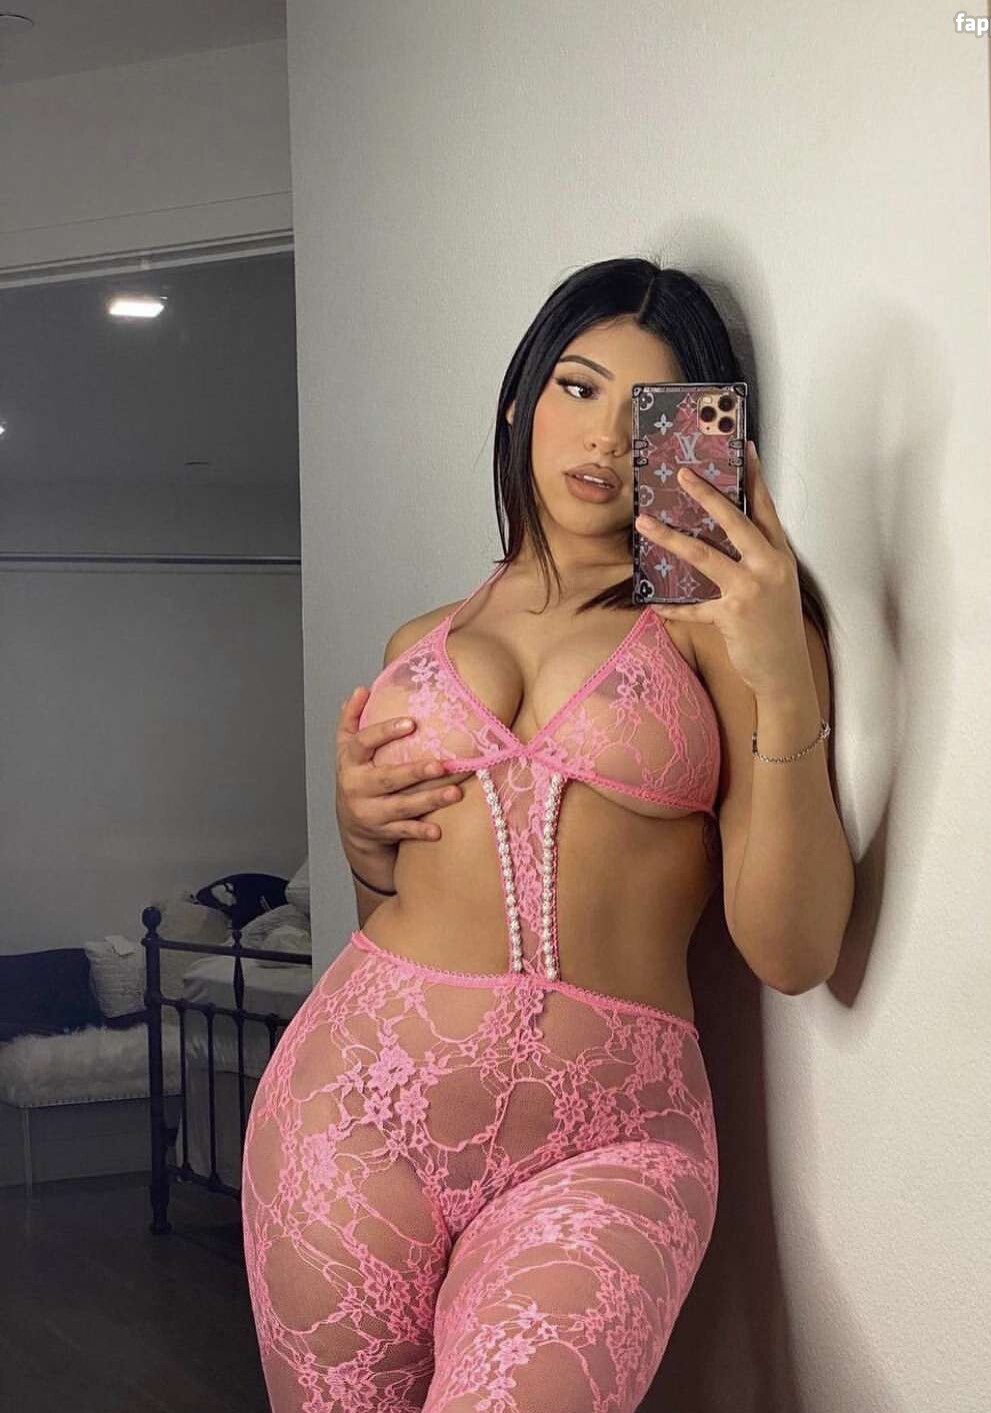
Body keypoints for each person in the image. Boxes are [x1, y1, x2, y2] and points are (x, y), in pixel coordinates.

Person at [240, 256, 853, 1412]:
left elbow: (794, 950)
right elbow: (393, 907)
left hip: (607, 1148)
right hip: (349, 1113)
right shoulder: (419, 640)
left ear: (698, 434)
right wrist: (360, 840)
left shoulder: (723, 629)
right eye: (577, 387)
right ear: (521, 398)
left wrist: (782, 677)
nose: (604, 438)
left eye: (646, 409)